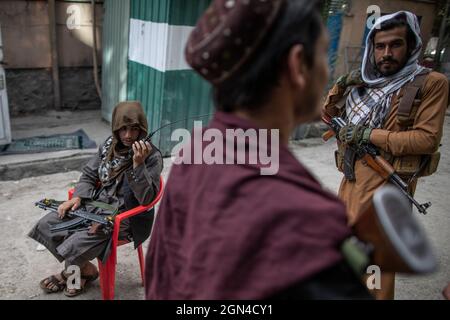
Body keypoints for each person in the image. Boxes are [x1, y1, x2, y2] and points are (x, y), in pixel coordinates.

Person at [144, 0, 372, 300]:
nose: (326, 72)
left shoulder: (194, 151)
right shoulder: (306, 220)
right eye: (323, 52)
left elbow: (162, 274)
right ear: (297, 64)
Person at [323, 11, 449, 299]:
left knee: (376, 267)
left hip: (386, 184)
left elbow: (427, 139)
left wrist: (369, 135)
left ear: (412, 45)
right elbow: (328, 116)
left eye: (395, 45)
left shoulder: (431, 82)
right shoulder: (364, 82)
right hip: (351, 181)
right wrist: (341, 85)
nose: (386, 54)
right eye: (379, 47)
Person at [29, 101, 163, 297]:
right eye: (122, 129)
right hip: (94, 207)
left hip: (124, 218)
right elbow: (90, 175)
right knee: (48, 223)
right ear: (115, 129)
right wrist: (77, 197)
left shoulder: (151, 156)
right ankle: (86, 271)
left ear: (142, 130)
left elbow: (146, 199)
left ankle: (71, 275)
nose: (127, 135)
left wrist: (138, 165)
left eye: (134, 129)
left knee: (77, 241)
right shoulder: (109, 146)